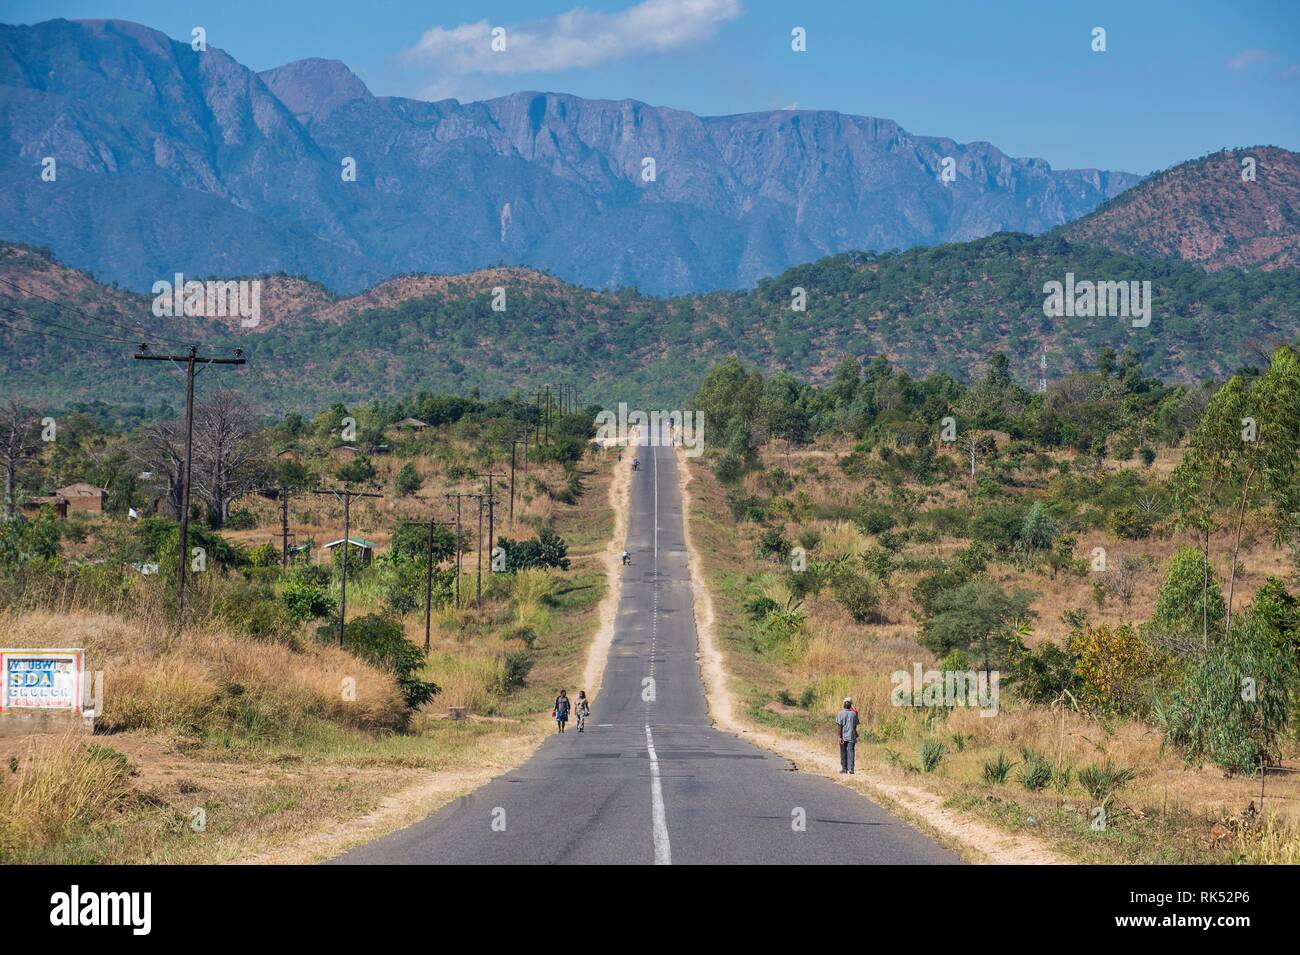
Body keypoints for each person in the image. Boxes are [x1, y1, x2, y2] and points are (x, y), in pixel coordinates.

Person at [836, 697, 860, 774]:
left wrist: (840, 737)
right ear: (850, 705)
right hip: (851, 736)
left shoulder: (840, 713)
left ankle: (844, 769)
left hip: (843, 736)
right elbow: (855, 726)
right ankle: (851, 769)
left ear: (844, 705)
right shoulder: (854, 714)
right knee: (851, 752)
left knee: (843, 752)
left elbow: (840, 726)